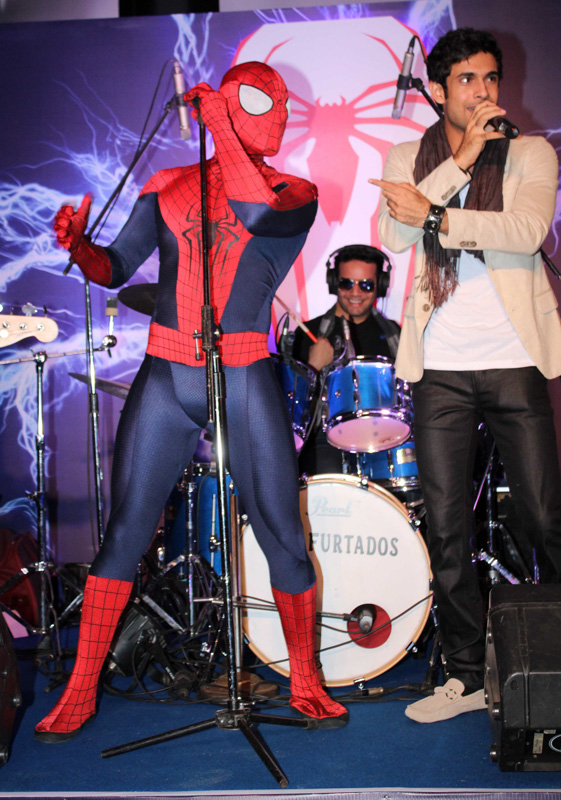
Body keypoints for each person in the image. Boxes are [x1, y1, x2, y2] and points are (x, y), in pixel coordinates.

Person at [35, 61, 348, 743]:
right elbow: (117, 268)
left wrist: (223, 128)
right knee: (125, 533)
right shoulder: (169, 185)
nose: (279, 114)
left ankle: (304, 680)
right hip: (167, 369)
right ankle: (80, 688)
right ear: (230, 105)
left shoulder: (294, 192)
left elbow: (253, 210)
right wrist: (79, 247)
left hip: (244, 372)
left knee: (281, 535)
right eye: (262, 100)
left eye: (281, 103)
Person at [371, 27, 561, 723]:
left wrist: (438, 216)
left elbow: (526, 232)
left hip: (512, 358)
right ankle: (465, 676)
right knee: (448, 527)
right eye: (467, 80)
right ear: (437, 89)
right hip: (440, 369)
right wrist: (459, 162)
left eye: (490, 78)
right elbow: (394, 235)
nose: (483, 92)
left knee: (543, 514)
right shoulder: (406, 157)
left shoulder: (531, 152)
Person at [292, 244, 400, 474]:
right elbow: (293, 411)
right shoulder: (307, 333)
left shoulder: (395, 336)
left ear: (380, 286)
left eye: (366, 285)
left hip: (385, 442)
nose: (355, 292)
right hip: (325, 442)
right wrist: (314, 366)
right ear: (334, 283)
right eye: (346, 283)